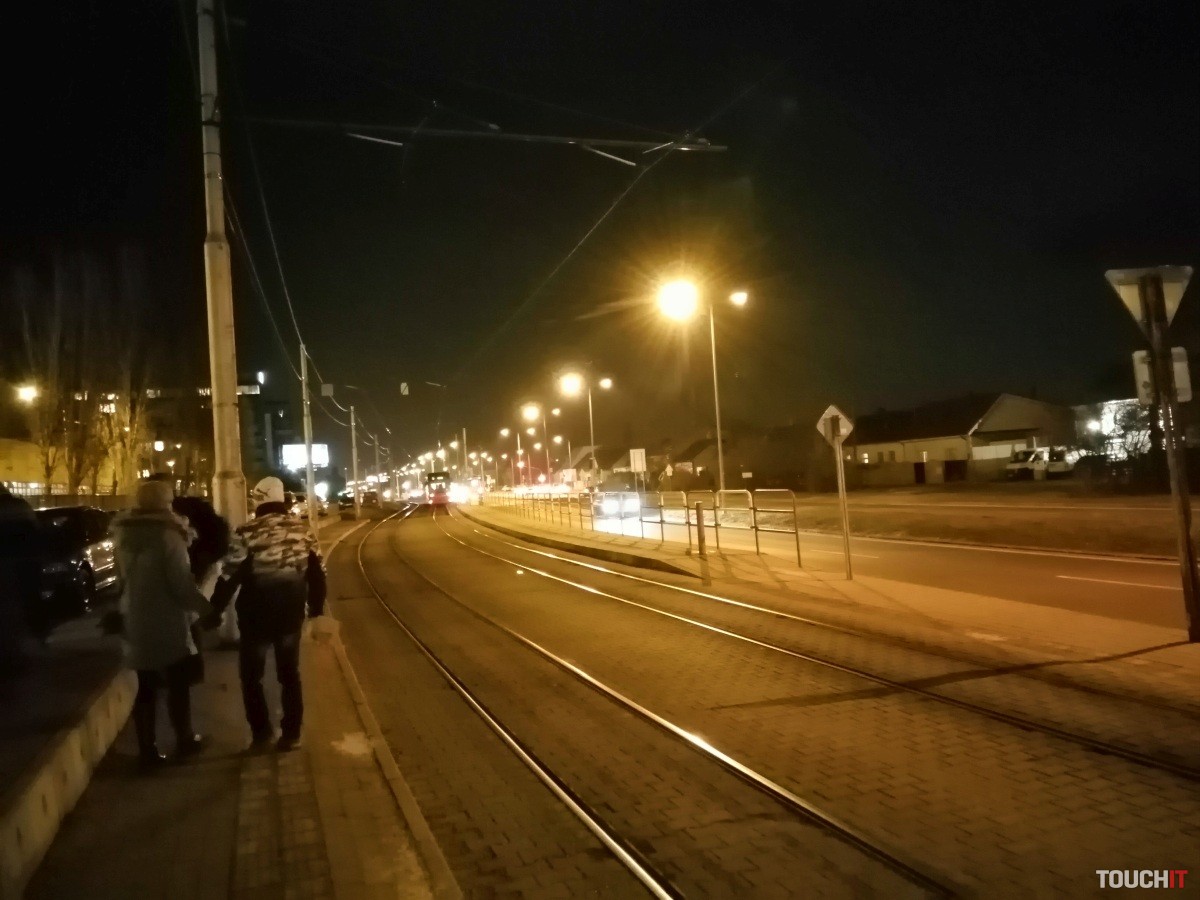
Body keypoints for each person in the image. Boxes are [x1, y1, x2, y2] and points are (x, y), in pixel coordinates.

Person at [210, 476, 326, 752]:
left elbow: (230, 576)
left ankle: (261, 735)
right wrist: (317, 610)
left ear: (258, 499)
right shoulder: (303, 531)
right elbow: (317, 574)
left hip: (255, 617)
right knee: (289, 674)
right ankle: (292, 734)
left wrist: (214, 611)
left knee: (252, 677)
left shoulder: (246, 532)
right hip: (291, 614)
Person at [112, 480, 212, 767]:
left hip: (135, 619)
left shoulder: (123, 535)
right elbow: (181, 585)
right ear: (166, 503)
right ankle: (185, 740)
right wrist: (206, 610)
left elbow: (120, 581)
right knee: (178, 683)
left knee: (146, 686)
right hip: (167, 619)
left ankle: (147, 751)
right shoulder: (169, 536)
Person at [0, 485, 40, 675]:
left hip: (8, 564)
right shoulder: (21, 506)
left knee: (9, 611)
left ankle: (11, 655)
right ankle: (18, 653)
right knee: (19, 609)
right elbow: (35, 532)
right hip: (24, 563)